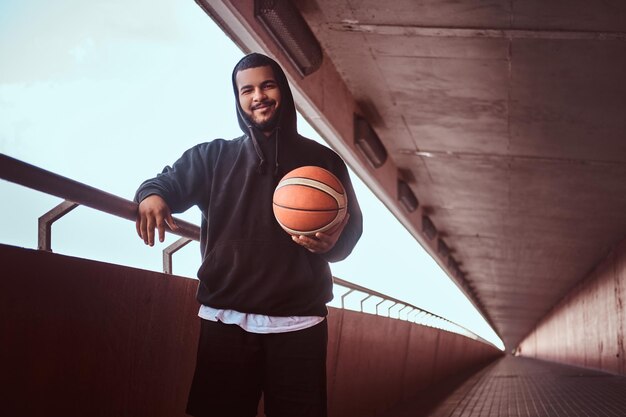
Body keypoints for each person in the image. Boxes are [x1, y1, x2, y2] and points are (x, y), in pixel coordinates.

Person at [134, 52, 362, 417]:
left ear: (283, 91)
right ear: (238, 99)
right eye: (248, 90)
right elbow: (165, 182)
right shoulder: (212, 157)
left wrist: (335, 243)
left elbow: (351, 227)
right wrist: (151, 195)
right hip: (225, 322)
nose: (258, 96)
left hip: (299, 323)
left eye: (267, 85)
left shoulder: (322, 161)